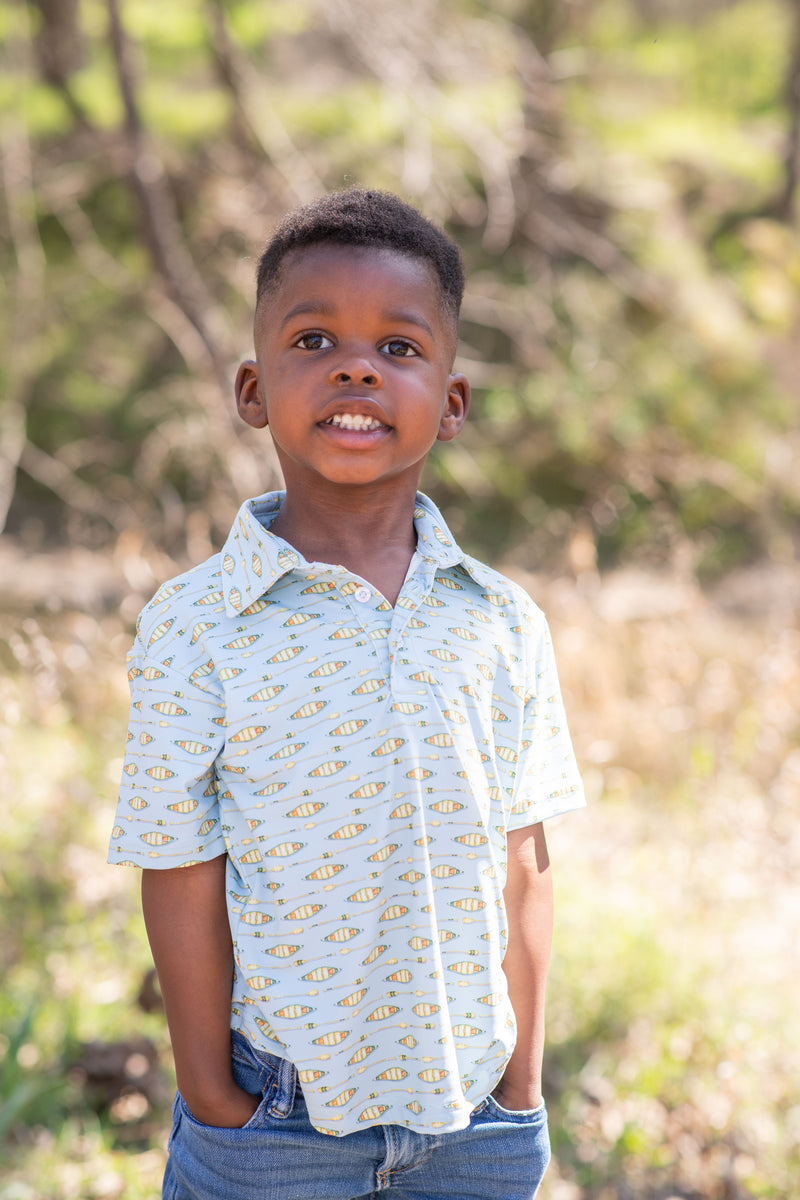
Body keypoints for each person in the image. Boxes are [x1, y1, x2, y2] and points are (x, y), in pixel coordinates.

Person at [109, 188, 585, 1200]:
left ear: (450, 404)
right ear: (252, 389)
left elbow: (524, 865)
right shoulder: (197, 623)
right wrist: (214, 1099)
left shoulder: (498, 621)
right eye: (314, 338)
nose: (356, 366)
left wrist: (518, 1086)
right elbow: (178, 867)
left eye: (399, 348)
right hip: (272, 1124)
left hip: (471, 1127)